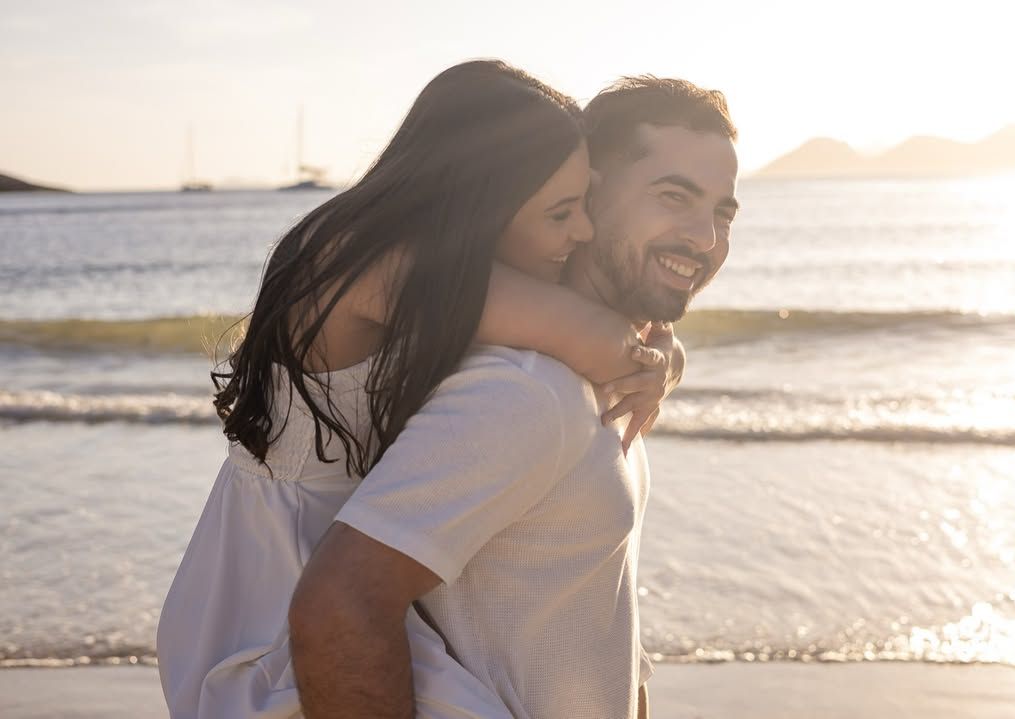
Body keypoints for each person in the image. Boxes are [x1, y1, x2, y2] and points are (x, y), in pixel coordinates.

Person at [156, 60, 681, 719]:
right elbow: (590, 337)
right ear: (480, 202)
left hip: (344, 567)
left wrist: (660, 345)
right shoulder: (361, 259)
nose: (583, 231)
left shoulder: (427, 257)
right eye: (562, 211)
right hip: (279, 588)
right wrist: (652, 354)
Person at [290, 75, 739, 718]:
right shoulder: (524, 393)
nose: (706, 237)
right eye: (675, 197)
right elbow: (339, 603)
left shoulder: (600, 382)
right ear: (586, 195)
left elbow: (602, 632)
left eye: (723, 211)